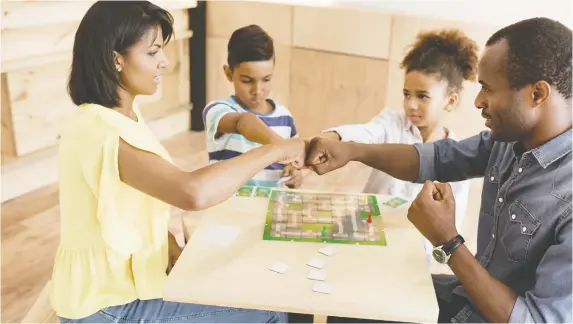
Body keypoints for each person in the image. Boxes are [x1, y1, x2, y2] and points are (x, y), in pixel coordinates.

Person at [306, 17, 572, 323]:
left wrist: (448, 241)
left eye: (487, 88)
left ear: (537, 94)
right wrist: (353, 151)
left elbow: (536, 320)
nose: (478, 101)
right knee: (351, 302)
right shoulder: (508, 141)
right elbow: (437, 159)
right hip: (464, 298)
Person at [50, 1, 302, 322]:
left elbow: (127, 203)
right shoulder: (99, 129)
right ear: (116, 59)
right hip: (107, 308)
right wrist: (275, 150)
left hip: (115, 292)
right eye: (153, 52)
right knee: (271, 311)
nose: (165, 62)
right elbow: (192, 192)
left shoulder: (122, 116)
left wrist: (168, 244)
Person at [317, 29, 477, 258]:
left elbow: (453, 224)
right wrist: (331, 140)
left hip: (411, 253)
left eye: (422, 96)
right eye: (406, 94)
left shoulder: (459, 155)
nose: (411, 104)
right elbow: (366, 133)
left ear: (449, 101)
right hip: (365, 234)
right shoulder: (391, 123)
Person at [202, 25, 303, 189]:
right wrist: (280, 145)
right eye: (247, 81)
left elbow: (292, 162)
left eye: (266, 79)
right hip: (229, 209)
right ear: (229, 73)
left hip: (269, 208)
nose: (257, 90)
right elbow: (243, 122)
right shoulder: (218, 110)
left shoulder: (285, 118)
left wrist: (294, 173)